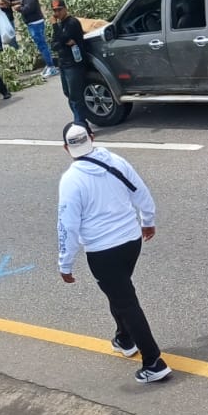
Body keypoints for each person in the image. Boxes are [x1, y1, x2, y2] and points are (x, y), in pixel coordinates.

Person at [57, 122, 170, 384]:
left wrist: (65, 263)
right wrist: (148, 220)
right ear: (92, 138)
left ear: (66, 148)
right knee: (118, 291)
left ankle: (153, 361)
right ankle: (124, 338)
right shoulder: (116, 160)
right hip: (132, 242)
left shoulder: (71, 180)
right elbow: (140, 191)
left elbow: (67, 225)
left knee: (126, 301)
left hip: (102, 251)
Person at [50, 0, 87, 127]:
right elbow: (54, 44)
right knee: (67, 93)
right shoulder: (61, 25)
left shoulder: (72, 23)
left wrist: (60, 36)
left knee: (75, 96)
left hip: (74, 64)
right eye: (54, 10)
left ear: (65, 9)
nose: (57, 13)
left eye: (59, 10)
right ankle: (81, 119)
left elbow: (63, 38)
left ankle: (80, 123)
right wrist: (64, 41)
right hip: (63, 64)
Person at [14, 0, 58, 79]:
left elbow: (30, 8)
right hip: (34, 23)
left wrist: (19, 8)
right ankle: (49, 65)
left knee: (42, 45)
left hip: (35, 23)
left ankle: (51, 67)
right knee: (41, 45)